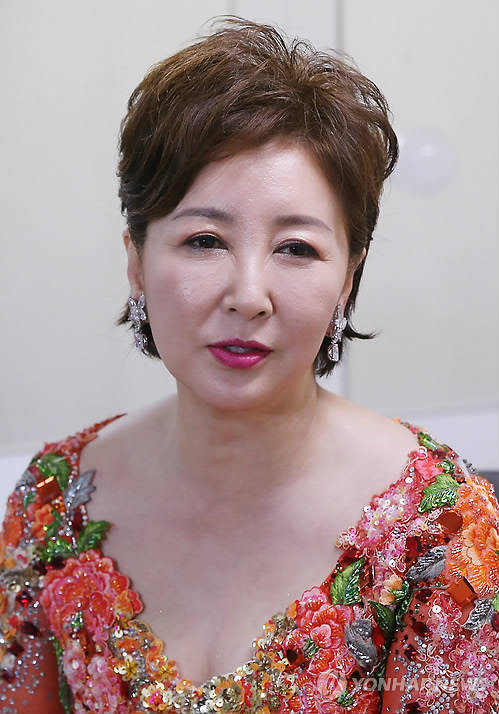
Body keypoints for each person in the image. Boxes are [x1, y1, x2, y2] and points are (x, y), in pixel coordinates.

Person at [1, 17, 498, 714]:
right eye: (205, 240)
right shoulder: (52, 502)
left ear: (348, 278)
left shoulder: (440, 528)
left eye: (296, 248)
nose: (248, 295)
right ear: (136, 262)